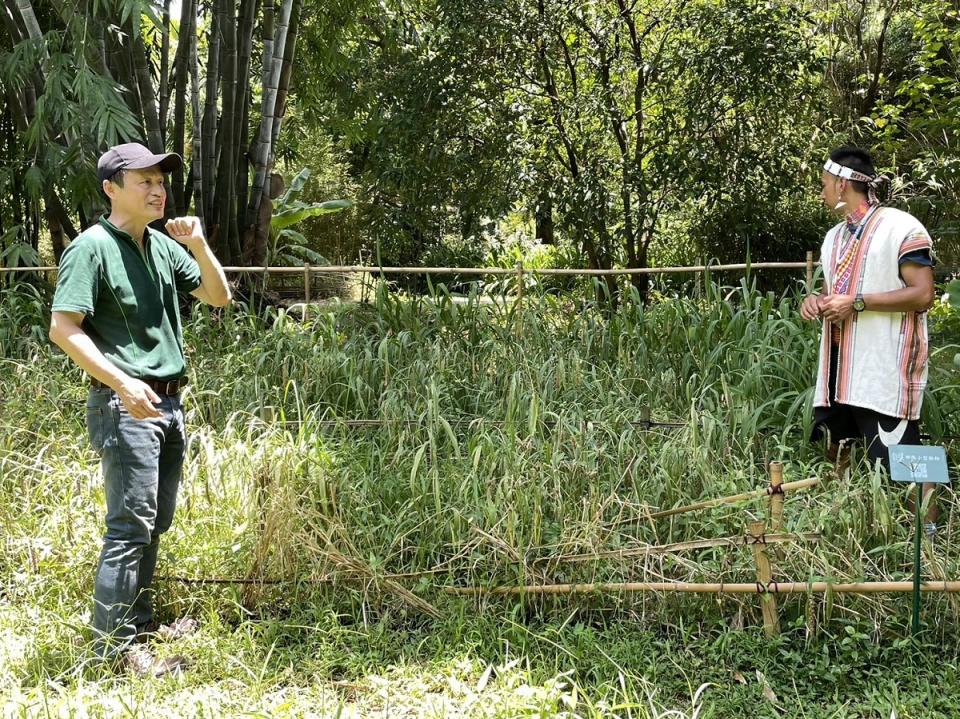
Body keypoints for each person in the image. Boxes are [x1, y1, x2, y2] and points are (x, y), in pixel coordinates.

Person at [48, 142, 231, 675]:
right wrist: (122, 382)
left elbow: (218, 297)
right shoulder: (91, 247)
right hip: (126, 403)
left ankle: (139, 625)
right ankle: (114, 650)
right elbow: (63, 328)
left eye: (160, 181)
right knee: (128, 527)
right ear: (111, 189)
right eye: (144, 181)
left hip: (169, 402)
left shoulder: (160, 245)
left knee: (154, 523)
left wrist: (198, 246)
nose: (158, 190)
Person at [800, 145, 937, 534]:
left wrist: (857, 303)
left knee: (902, 458)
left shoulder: (901, 228)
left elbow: (923, 294)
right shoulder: (833, 239)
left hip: (882, 370)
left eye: (825, 184)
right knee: (837, 448)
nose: (822, 191)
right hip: (839, 371)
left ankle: (928, 544)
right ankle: (842, 529)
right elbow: (835, 293)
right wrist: (816, 302)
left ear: (843, 185)